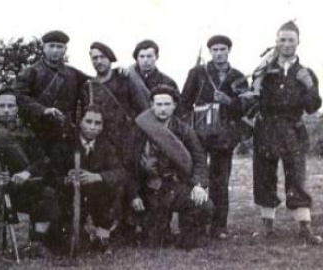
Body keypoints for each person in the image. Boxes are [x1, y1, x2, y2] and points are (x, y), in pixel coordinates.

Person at [249, 21, 322, 244]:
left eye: (291, 39)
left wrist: (309, 86)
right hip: (266, 129)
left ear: (298, 42)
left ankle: (304, 229)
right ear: (276, 42)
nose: (286, 44)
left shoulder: (305, 72)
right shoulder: (264, 72)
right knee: (264, 177)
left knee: (297, 178)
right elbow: (252, 102)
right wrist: (255, 85)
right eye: (282, 39)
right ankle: (267, 228)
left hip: (293, 130)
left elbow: (312, 107)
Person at [175, 35, 249, 239]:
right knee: (194, 178)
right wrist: (186, 129)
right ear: (210, 52)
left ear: (229, 51)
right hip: (198, 135)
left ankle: (219, 227)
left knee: (220, 182)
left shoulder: (238, 77)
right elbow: (183, 103)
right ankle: (193, 225)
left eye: (222, 49)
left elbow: (246, 108)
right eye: (215, 49)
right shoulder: (198, 73)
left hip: (224, 137)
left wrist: (229, 101)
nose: (219, 53)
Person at [0, 87, 58, 257]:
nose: (6, 110)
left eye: (10, 106)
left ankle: (36, 242)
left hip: (19, 187)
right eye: (1, 106)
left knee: (47, 195)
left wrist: (27, 172)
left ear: (17, 109)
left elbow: (42, 160)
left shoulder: (26, 131)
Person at [130, 85, 213, 250]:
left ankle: (188, 235)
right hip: (150, 188)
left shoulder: (185, 131)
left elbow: (199, 159)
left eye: (167, 104)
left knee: (203, 205)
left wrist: (199, 185)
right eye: (158, 104)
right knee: (154, 243)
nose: (163, 109)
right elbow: (130, 165)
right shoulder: (140, 130)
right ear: (152, 105)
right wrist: (134, 194)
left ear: (174, 105)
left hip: (176, 186)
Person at [48, 105, 129, 254]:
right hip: (69, 200)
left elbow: (120, 172)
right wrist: (67, 179)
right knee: (70, 246)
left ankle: (103, 235)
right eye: (89, 122)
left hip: (97, 199)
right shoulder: (65, 145)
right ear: (80, 122)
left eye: (98, 123)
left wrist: (97, 177)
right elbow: (51, 175)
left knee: (113, 186)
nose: (93, 127)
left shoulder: (106, 146)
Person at [15, 30, 89, 153]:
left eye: (59, 47)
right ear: (44, 48)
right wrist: (44, 110)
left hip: (64, 133)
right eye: (51, 46)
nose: (55, 50)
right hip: (36, 132)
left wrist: (119, 72)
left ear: (65, 49)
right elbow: (19, 97)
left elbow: (96, 82)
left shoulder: (73, 73)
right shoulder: (30, 72)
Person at [81, 42, 148, 169]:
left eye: (103, 57)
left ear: (110, 59)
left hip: (128, 141)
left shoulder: (124, 78)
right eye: (95, 58)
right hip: (102, 142)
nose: (99, 61)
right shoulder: (89, 86)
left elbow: (143, 109)